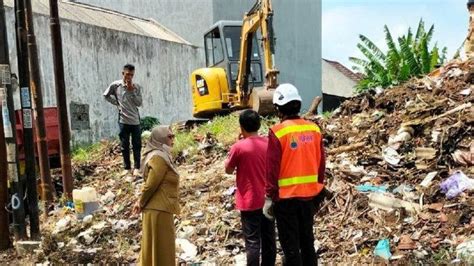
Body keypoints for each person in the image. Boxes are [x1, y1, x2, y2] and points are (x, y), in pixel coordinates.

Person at [263, 83, 326, 266]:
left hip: (286, 200)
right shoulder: (314, 129)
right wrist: (319, 188)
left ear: (277, 108)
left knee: (291, 247)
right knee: (307, 243)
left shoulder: (278, 132)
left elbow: (272, 169)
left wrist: (270, 196)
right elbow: (322, 163)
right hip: (309, 197)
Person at [225, 110, 276, 266]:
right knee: (269, 239)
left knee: (253, 241)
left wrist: (236, 143)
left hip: (249, 201)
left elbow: (228, 169)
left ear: (241, 127)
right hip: (268, 199)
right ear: (259, 125)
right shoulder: (269, 143)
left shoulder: (239, 147)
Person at [133, 125, 179, 266]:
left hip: (160, 208)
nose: (173, 140)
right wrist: (140, 202)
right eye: (169, 137)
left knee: (158, 247)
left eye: (173, 136)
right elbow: (151, 184)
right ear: (160, 139)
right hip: (158, 210)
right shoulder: (158, 157)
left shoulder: (161, 155)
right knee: (162, 248)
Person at [104, 64, 143, 177]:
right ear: (123, 74)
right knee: (124, 145)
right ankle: (127, 168)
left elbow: (139, 103)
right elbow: (106, 95)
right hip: (123, 120)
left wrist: (132, 91)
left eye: (131, 75)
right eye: (127, 74)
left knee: (137, 145)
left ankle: (137, 168)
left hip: (135, 120)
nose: (129, 77)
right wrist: (117, 103)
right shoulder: (116, 86)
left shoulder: (136, 87)